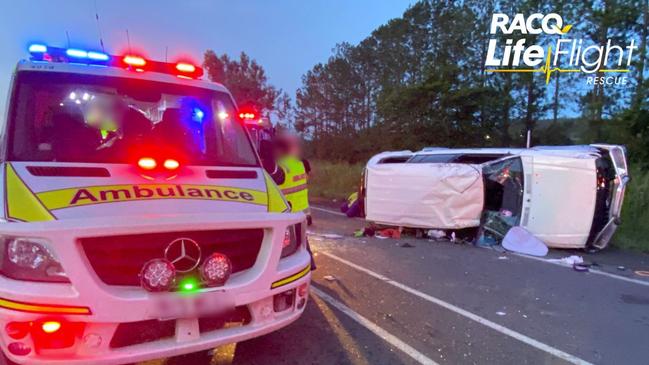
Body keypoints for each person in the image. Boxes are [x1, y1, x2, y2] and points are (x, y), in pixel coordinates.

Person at [275, 133, 312, 225]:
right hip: (303, 212)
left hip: (287, 213)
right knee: (301, 238)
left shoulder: (279, 166)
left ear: (279, 150)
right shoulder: (300, 164)